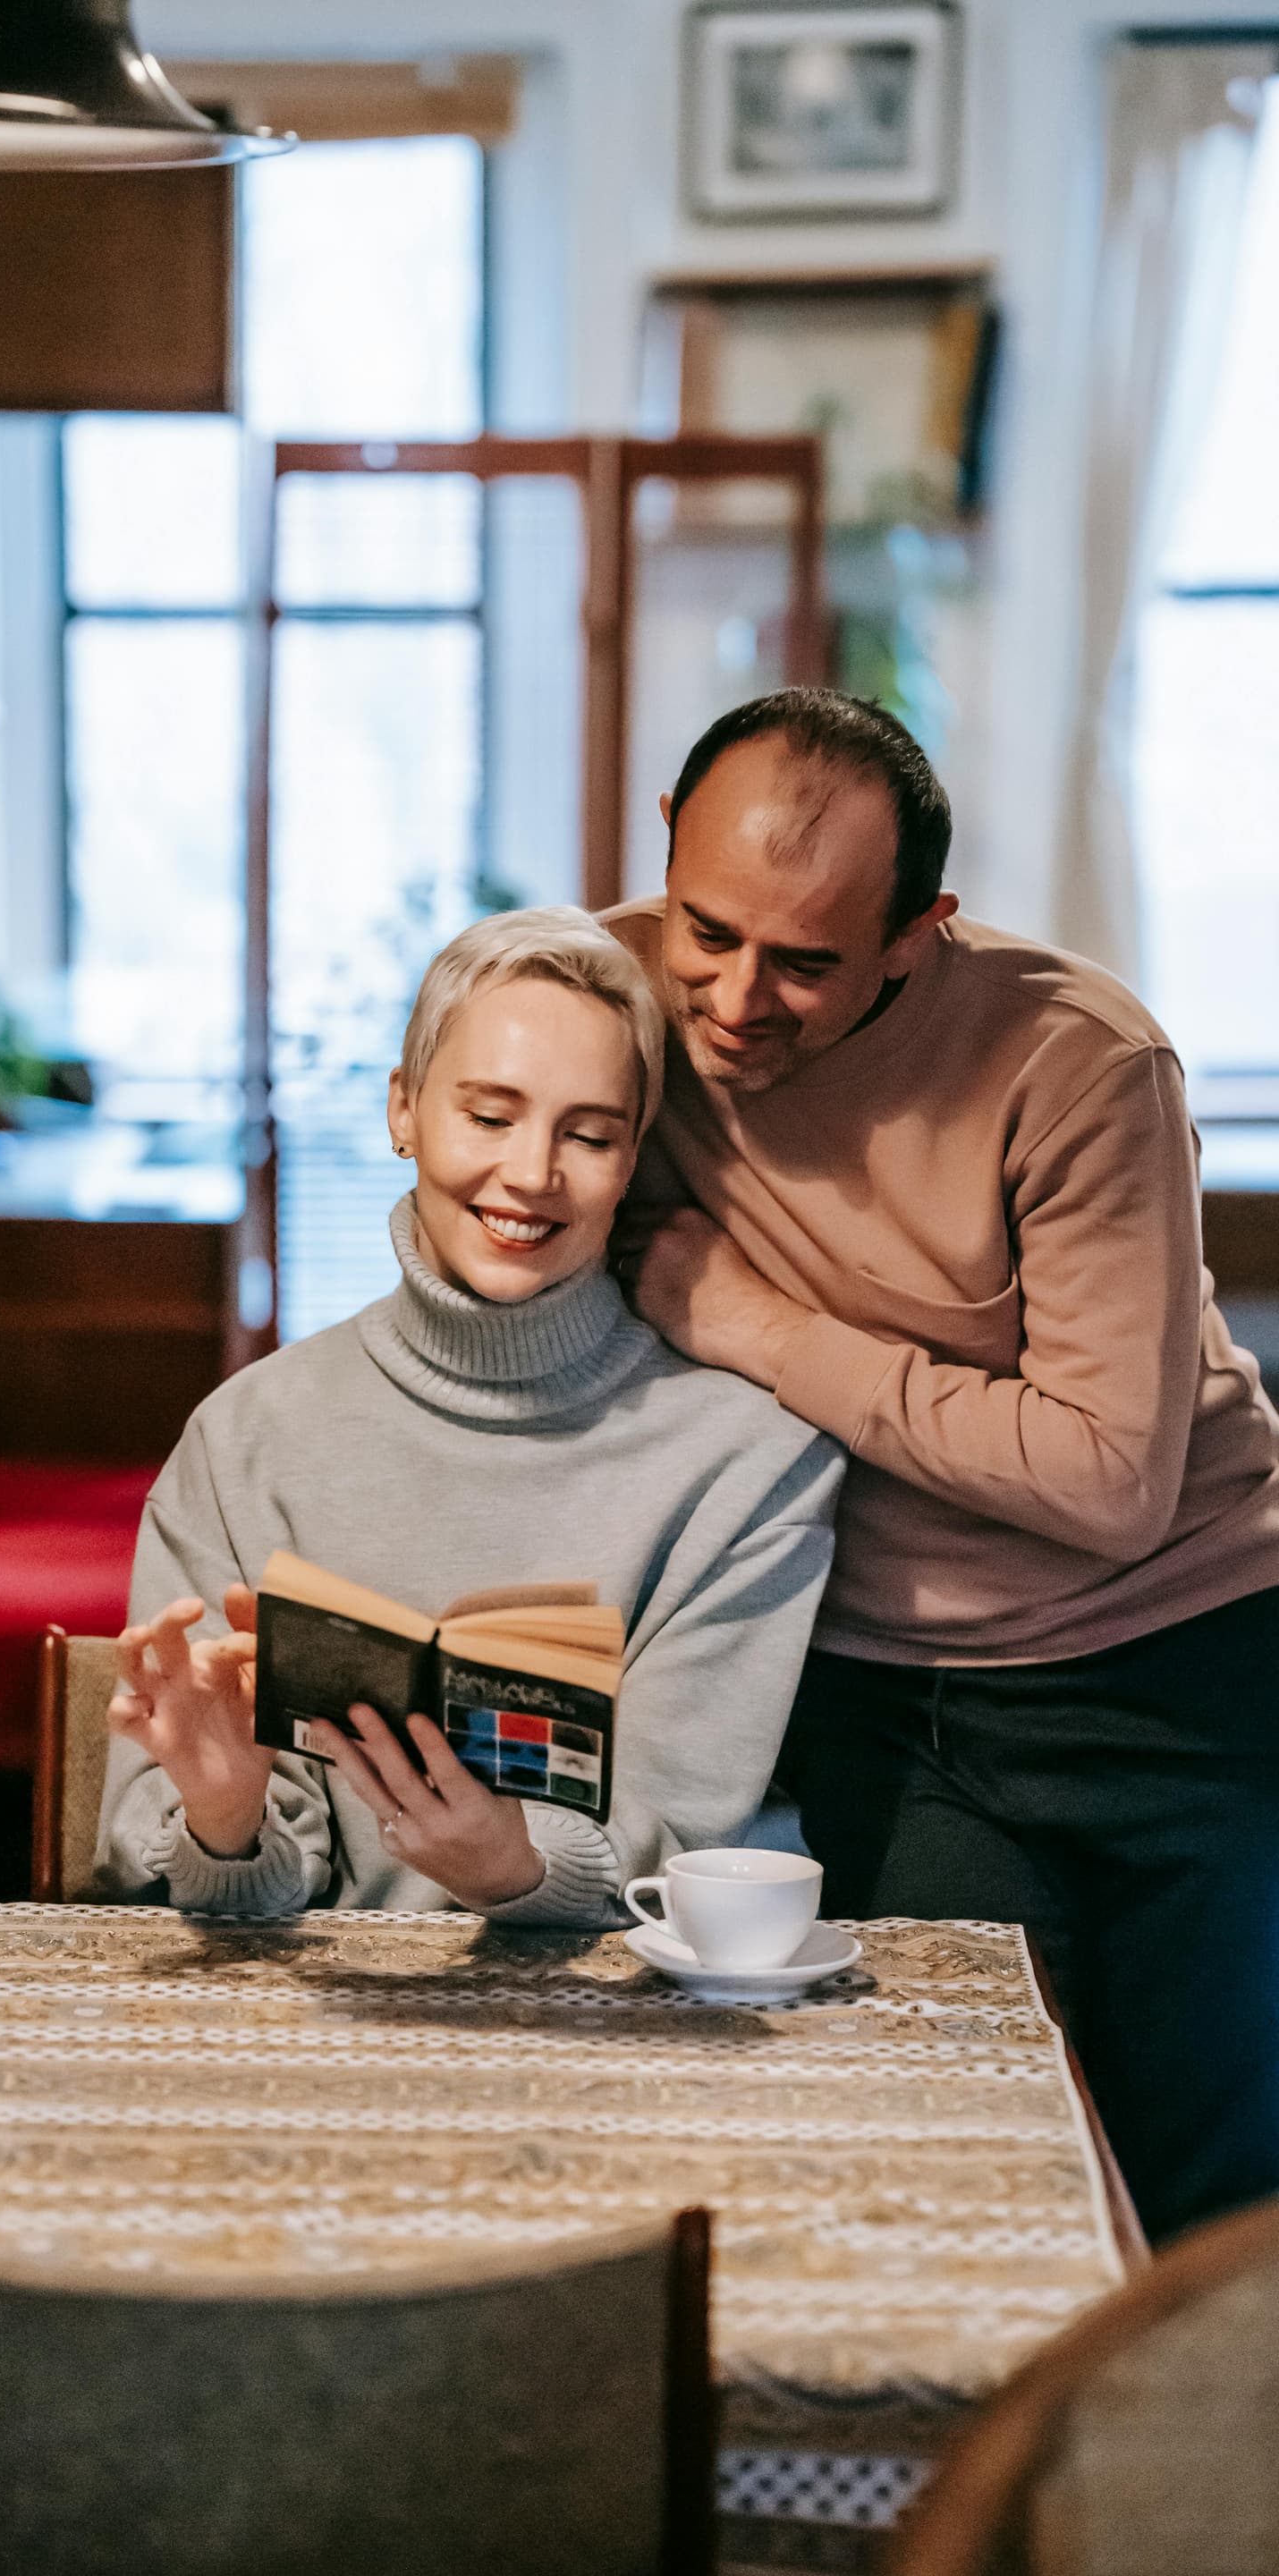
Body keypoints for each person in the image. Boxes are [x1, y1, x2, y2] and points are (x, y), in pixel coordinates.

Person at [607, 686, 1279, 2241]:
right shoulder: (618, 987)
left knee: (1214, 2206)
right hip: (887, 1698)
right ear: (667, 853)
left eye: (808, 962)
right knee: (963, 2170)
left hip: (1182, 1672)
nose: (735, 1001)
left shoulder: (1082, 1060)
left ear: (919, 935)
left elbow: (1109, 1477)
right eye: (709, 932)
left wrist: (754, 1325)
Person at [96, 907, 843, 1925]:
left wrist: (516, 1868)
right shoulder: (244, 1440)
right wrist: (227, 1819)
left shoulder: (753, 1464)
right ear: (403, 1110)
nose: (532, 1174)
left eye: (589, 1135)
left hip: (633, 2054)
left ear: (631, 1159)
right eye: (489, 1118)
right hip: (316, 2043)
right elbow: (199, 1886)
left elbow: (682, 1846)